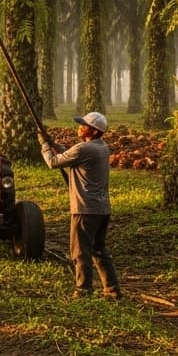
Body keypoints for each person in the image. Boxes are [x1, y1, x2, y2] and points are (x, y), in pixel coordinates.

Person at [39, 111, 121, 299]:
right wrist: (53, 143)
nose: (79, 127)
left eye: (83, 125)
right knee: (99, 249)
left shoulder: (84, 150)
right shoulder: (102, 147)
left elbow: (53, 162)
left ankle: (83, 290)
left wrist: (44, 145)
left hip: (85, 210)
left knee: (80, 251)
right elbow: (70, 153)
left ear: (92, 131)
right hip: (101, 209)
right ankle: (112, 289)